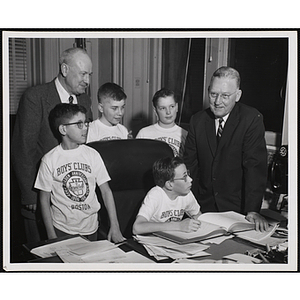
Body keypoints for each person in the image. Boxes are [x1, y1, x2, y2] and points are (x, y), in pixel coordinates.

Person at [11, 47, 93, 243]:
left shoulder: (86, 100)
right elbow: (23, 149)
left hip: (74, 198)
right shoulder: (35, 97)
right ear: (65, 70)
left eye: (89, 75)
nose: (88, 81)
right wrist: (30, 196)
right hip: (42, 195)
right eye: (83, 74)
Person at [184, 66, 269, 231]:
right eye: (213, 94)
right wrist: (190, 206)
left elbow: (254, 166)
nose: (217, 101)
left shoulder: (251, 119)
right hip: (202, 208)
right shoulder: (197, 121)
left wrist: (252, 209)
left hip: (237, 210)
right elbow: (190, 166)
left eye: (225, 96)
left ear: (237, 96)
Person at [34, 103, 125, 242]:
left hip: (91, 228)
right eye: (79, 124)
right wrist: (51, 235)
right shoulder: (49, 159)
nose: (85, 128)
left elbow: (106, 192)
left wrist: (115, 226)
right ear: (63, 129)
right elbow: (44, 199)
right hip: (62, 229)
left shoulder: (92, 155)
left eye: (86, 123)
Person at [132, 156, 201, 235]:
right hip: (153, 240)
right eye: (184, 177)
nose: (190, 179)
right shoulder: (155, 195)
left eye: (188, 174)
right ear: (169, 184)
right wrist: (178, 226)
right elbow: (137, 227)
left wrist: (197, 221)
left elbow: (197, 214)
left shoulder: (186, 193)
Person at [136, 88, 187, 157]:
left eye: (172, 106)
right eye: (163, 108)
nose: (168, 112)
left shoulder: (185, 135)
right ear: (155, 111)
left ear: (177, 107)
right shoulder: (144, 134)